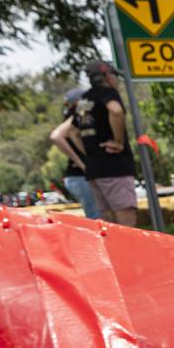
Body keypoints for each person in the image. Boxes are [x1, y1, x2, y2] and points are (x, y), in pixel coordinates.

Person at [64, 60, 138, 225]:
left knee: (107, 220)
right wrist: (118, 142)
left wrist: (90, 153)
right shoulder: (108, 93)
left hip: (94, 168)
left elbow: (72, 131)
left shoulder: (83, 99)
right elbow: (116, 110)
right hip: (114, 165)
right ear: (107, 76)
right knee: (125, 218)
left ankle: (113, 251)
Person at [49, 88, 101, 219]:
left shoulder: (72, 118)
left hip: (77, 177)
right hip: (80, 177)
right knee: (97, 217)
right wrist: (84, 163)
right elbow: (56, 136)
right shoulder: (76, 117)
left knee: (97, 215)